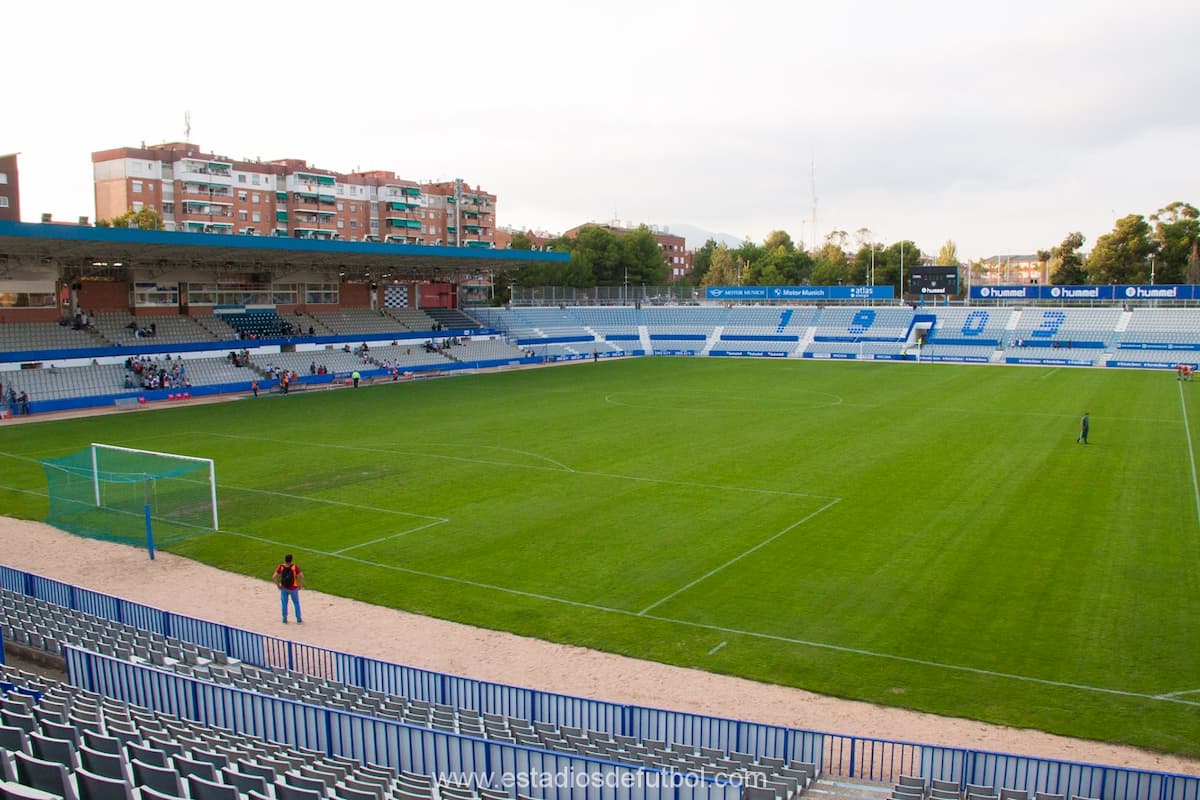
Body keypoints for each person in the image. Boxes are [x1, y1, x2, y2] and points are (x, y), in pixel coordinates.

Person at [273, 554, 303, 623]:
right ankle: (298, 619)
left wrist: (278, 585)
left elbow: (274, 577)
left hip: (284, 588)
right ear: (291, 560)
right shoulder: (294, 567)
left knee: (284, 603)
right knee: (296, 603)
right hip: (294, 588)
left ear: (285, 560)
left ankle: (284, 619)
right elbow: (301, 576)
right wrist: (300, 585)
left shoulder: (281, 567)